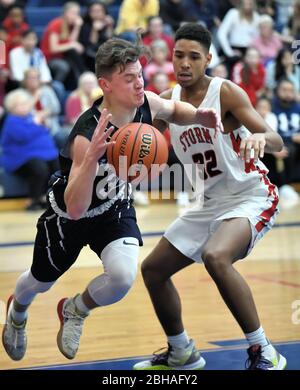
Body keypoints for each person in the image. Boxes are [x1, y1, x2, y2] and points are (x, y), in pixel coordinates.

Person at [1, 36, 220, 361]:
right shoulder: (85, 135)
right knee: (39, 281)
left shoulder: (146, 103)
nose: (139, 84)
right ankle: (17, 312)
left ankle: (75, 309)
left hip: (114, 207)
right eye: (129, 78)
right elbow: (75, 208)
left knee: (122, 277)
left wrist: (200, 116)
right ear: (106, 85)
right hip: (68, 217)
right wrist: (91, 159)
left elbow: (175, 109)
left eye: (140, 75)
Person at [133, 23, 287, 371]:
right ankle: (181, 352)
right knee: (153, 270)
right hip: (207, 203)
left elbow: (277, 140)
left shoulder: (226, 92)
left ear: (208, 59)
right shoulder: (167, 102)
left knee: (217, 257)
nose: (184, 63)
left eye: (193, 57)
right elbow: (148, 150)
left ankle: (264, 351)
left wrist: (262, 139)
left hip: (251, 195)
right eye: (178, 55)